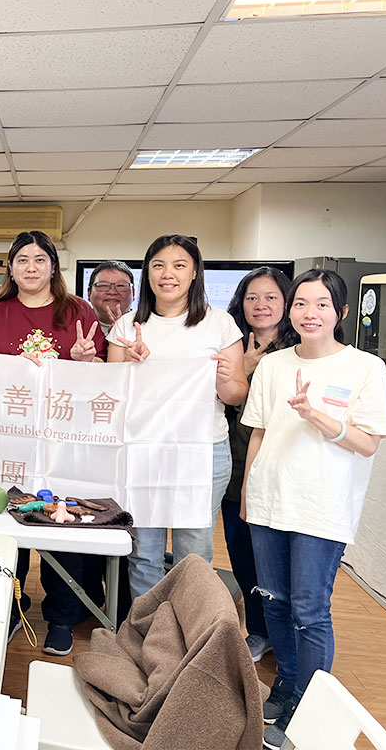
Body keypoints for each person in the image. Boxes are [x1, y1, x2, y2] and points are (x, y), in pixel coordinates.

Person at [241, 269, 386, 750]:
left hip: (322, 507)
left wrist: (317, 417)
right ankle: (288, 684)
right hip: (269, 501)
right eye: (301, 303)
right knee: (274, 600)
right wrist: (247, 493)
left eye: (322, 304)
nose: (310, 313)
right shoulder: (273, 364)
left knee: (309, 609)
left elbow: (368, 444)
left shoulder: (364, 367)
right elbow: (259, 432)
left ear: (341, 312)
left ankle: (308, 706)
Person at [0, 231, 107, 657]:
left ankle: (62, 616)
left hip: (64, 438)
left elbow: (104, 377)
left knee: (58, 518)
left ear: (53, 267)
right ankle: (11, 608)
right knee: (9, 522)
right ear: (11, 269)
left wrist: (85, 361)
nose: (31, 267)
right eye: (22, 260)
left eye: (40, 259)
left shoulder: (78, 311)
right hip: (8, 436)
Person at [107, 234, 248, 601]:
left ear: (195, 273)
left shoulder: (219, 324)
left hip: (202, 450)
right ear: (147, 273)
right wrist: (128, 365)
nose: (167, 274)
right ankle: (149, 628)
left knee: (194, 554)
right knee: (143, 553)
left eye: (179, 265)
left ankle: (188, 628)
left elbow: (236, 394)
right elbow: (111, 397)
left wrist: (223, 380)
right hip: (142, 450)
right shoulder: (126, 327)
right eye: (158, 265)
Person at [224, 266, 291, 664]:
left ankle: (288, 635)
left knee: (281, 561)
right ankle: (259, 631)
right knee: (243, 555)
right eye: (252, 297)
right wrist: (242, 369)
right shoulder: (230, 344)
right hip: (236, 469)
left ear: (286, 303)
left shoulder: (301, 349)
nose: (260, 305)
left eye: (270, 297)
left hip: (283, 470)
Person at [87, 260, 135, 336]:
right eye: (103, 285)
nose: (112, 292)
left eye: (121, 285)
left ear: (133, 293)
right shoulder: (74, 325)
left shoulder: (147, 326)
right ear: (89, 293)